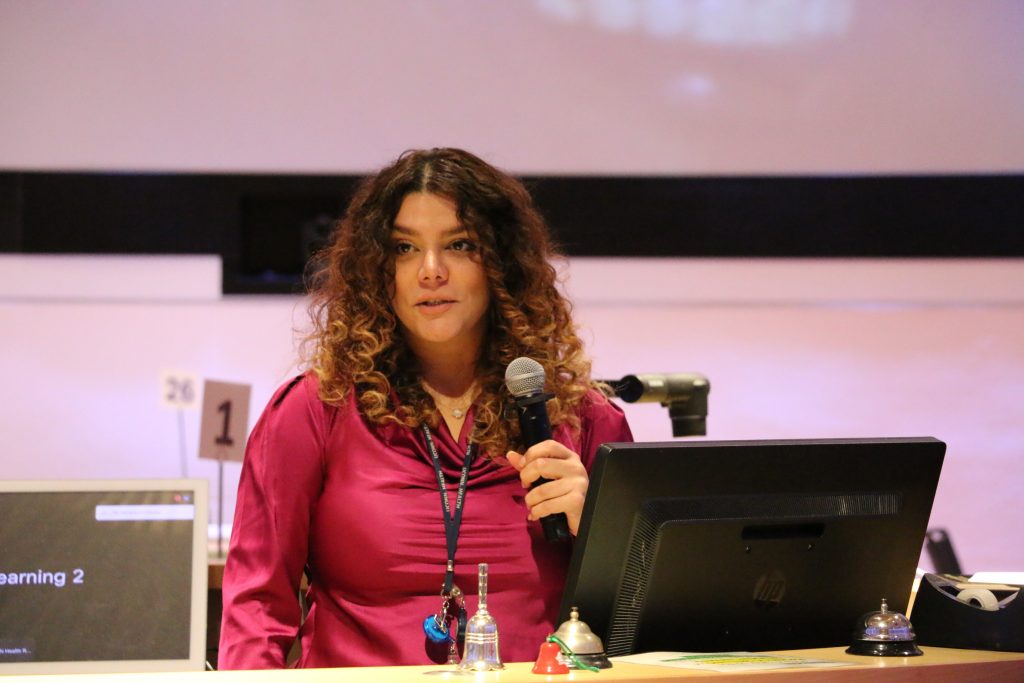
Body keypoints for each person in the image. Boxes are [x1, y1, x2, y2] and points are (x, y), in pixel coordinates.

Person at [218, 148, 632, 669]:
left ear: (501, 263)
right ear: (377, 269)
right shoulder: (313, 411)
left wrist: (598, 530)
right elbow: (255, 608)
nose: (430, 271)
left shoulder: (585, 419)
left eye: (459, 245)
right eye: (405, 248)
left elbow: (637, 625)